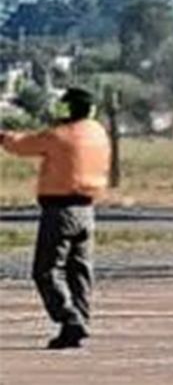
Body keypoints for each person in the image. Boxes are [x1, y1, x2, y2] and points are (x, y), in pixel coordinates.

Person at [0, 87, 111, 350]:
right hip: (87, 210)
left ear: (68, 109)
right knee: (79, 271)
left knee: (47, 270)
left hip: (60, 210)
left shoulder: (60, 135)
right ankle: (78, 323)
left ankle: (69, 318)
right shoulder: (98, 133)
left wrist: (3, 136)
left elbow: (23, 145)